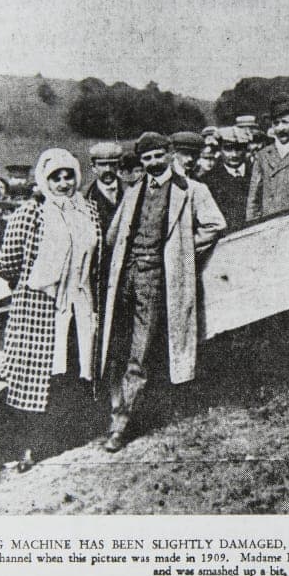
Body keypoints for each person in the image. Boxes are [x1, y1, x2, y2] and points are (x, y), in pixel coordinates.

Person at [100, 132, 226, 452]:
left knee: (140, 352)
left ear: (170, 154)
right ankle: (114, 409)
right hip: (127, 278)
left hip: (157, 281)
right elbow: (114, 236)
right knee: (117, 347)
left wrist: (181, 251)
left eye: (158, 155)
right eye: (147, 158)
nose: (154, 162)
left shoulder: (192, 190)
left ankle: (122, 425)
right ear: (141, 161)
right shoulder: (134, 191)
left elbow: (214, 225)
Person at [0, 148, 101, 414]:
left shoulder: (88, 210)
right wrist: (27, 286)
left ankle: (73, 427)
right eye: (56, 178)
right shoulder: (31, 213)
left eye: (68, 176)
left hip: (80, 301)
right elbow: (7, 263)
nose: (64, 184)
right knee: (41, 372)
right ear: (45, 180)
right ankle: (37, 434)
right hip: (39, 305)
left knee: (76, 362)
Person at [245, 93, 289, 221]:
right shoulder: (262, 156)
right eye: (276, 123)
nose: (280, 128)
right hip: (270, 225)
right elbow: (253, 202)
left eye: (285, 122)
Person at [206, 126, 253, 232]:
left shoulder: (257, 172)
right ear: (220, 149)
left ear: (245, 149)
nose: (234, 154)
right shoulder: (209, 180)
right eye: (228, 149)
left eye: (238, 149)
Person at [85, 141, 124, 235]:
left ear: (119, 165)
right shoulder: (85, 195)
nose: (108, 169)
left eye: (112, 164)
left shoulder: (131, 190)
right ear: (93, 167)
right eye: (102, 165)